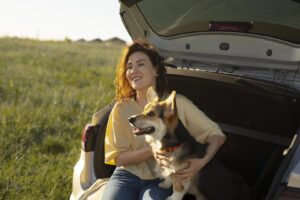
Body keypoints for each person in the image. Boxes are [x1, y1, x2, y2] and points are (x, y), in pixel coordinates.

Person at [101, 40, 226, 200]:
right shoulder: (121, 108)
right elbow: (118, 157)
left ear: (156, 70)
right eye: (129, 66)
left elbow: (217, 135)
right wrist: (151, 150)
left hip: (161, 179)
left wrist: (200, 163)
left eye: (140, 64)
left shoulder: (176, 103)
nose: (133, 70)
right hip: (127, 176)